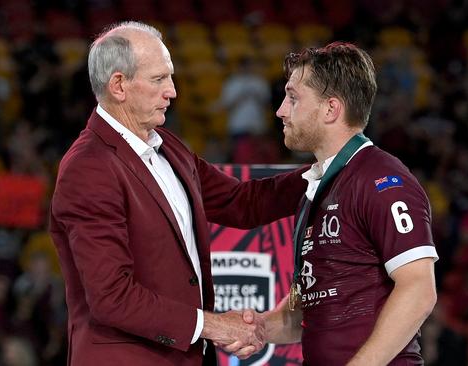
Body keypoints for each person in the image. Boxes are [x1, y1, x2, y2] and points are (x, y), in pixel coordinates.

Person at [49, 21, 306, 366]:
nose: (172, 91)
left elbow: (242, 202)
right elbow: (112, 297)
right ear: (119, 85)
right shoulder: (88, 168)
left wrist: (329, 172)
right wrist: (212, 325)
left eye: (169, 77)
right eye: (158, 80)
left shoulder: (167, 145)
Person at [247, 42, 439, 365]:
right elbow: (312, 306)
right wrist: (260, 328)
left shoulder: (382, 179)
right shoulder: (317, 187)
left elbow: (419, 290)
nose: (280, 110)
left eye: (293, 98)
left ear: (331, 109)